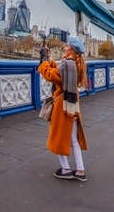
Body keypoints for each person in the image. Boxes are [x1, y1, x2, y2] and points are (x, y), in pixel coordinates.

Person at [38, 37, 88, 182]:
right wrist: (48, 59)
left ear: (71, 49)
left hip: (62, 105)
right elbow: (58, 70)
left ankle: (65, 169)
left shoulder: (67, 65)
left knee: (58, 137)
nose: (65, 47)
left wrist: (43, 60)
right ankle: (80, 170)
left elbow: (50, 74)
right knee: (73, 139)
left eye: (67, 46)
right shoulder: (76, 65)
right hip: (73, 105)